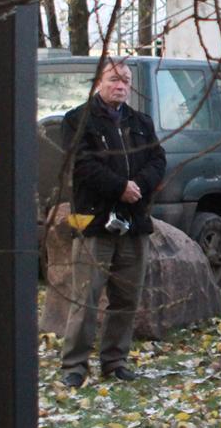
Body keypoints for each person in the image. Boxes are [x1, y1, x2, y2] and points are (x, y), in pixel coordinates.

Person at [59, 59, 168, 388]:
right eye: (113, 79)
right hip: (94, 222)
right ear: (98, 83)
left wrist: (138, 186)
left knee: (126, 298)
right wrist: (119, 187)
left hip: (134, 224)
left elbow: (158, 159)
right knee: (85, 298)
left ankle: (115, 360)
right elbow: (80, 165)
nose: (120, 86)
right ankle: (74, 365)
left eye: (125, 80)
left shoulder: (140, 122)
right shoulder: (77, 120)